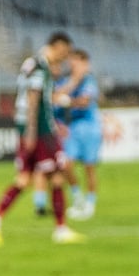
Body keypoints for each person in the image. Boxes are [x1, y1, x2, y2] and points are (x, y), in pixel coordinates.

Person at [0, 31, 84, 246]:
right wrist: (31, 132)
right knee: (56, 175)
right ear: (56, 46)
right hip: (40, 130)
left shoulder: (33, 64)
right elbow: (33, 99)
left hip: (33, 127)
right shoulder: (40, 67)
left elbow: (43, 97)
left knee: (25, 178)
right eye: (64, 52)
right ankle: (60, 229)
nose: (64, 58)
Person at [54, 49, 102, 220]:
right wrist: (72, 84)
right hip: (72, 129)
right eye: (71, 64)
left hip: (90, 129)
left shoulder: (89, 82)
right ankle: (78, 197)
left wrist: (67, 101)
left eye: (76, 63)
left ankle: (90, 203)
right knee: (66, 165)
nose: (73, 67)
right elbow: (54, 98)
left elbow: (84, 102)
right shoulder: (67, 82)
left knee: (89, 168)